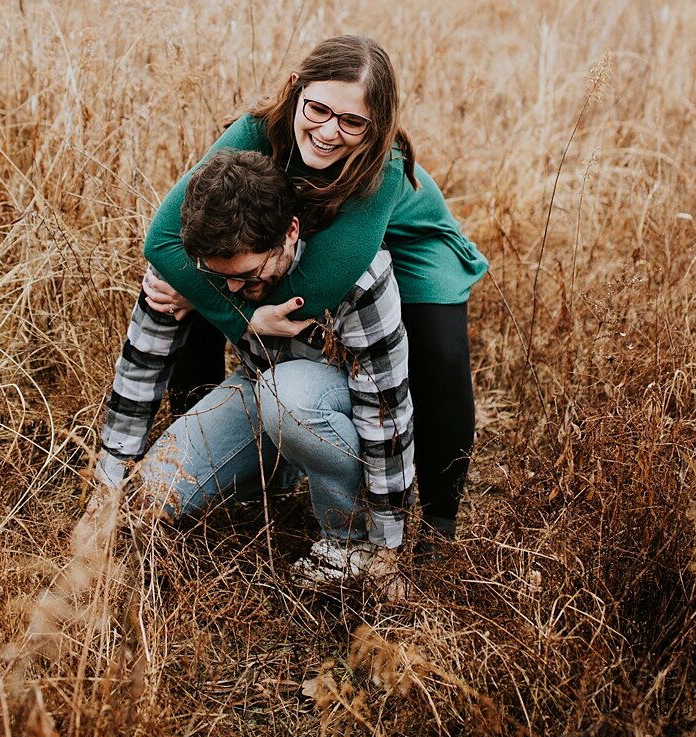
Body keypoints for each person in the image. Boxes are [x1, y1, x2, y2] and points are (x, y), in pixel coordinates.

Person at [141, 35, 487, 545]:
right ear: (295, 90)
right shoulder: (257, 131)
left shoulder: (382, 165)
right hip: (319, 230)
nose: (328, 131)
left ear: (377, 126)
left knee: (439, 356)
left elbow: (319, 287)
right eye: (318, 109)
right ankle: (227, 439)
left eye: (352, 121)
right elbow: (162, 238)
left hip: (411, 251)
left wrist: (236, 311)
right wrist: (214, 298)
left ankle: (437, 522)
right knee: (191, 284)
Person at [96, 150, 414, 588]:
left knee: (287, 396)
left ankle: (347, 542)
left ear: (290, 232)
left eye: (246, 275)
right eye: (216, 275)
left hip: (339, 398)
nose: (230, 289)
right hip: (260, 388)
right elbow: (142, 362)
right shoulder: (190, 260)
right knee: (147, 498)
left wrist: (387, 544)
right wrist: (109, 480)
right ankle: (279, 472)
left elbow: (386, 409)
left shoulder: (358, 276)